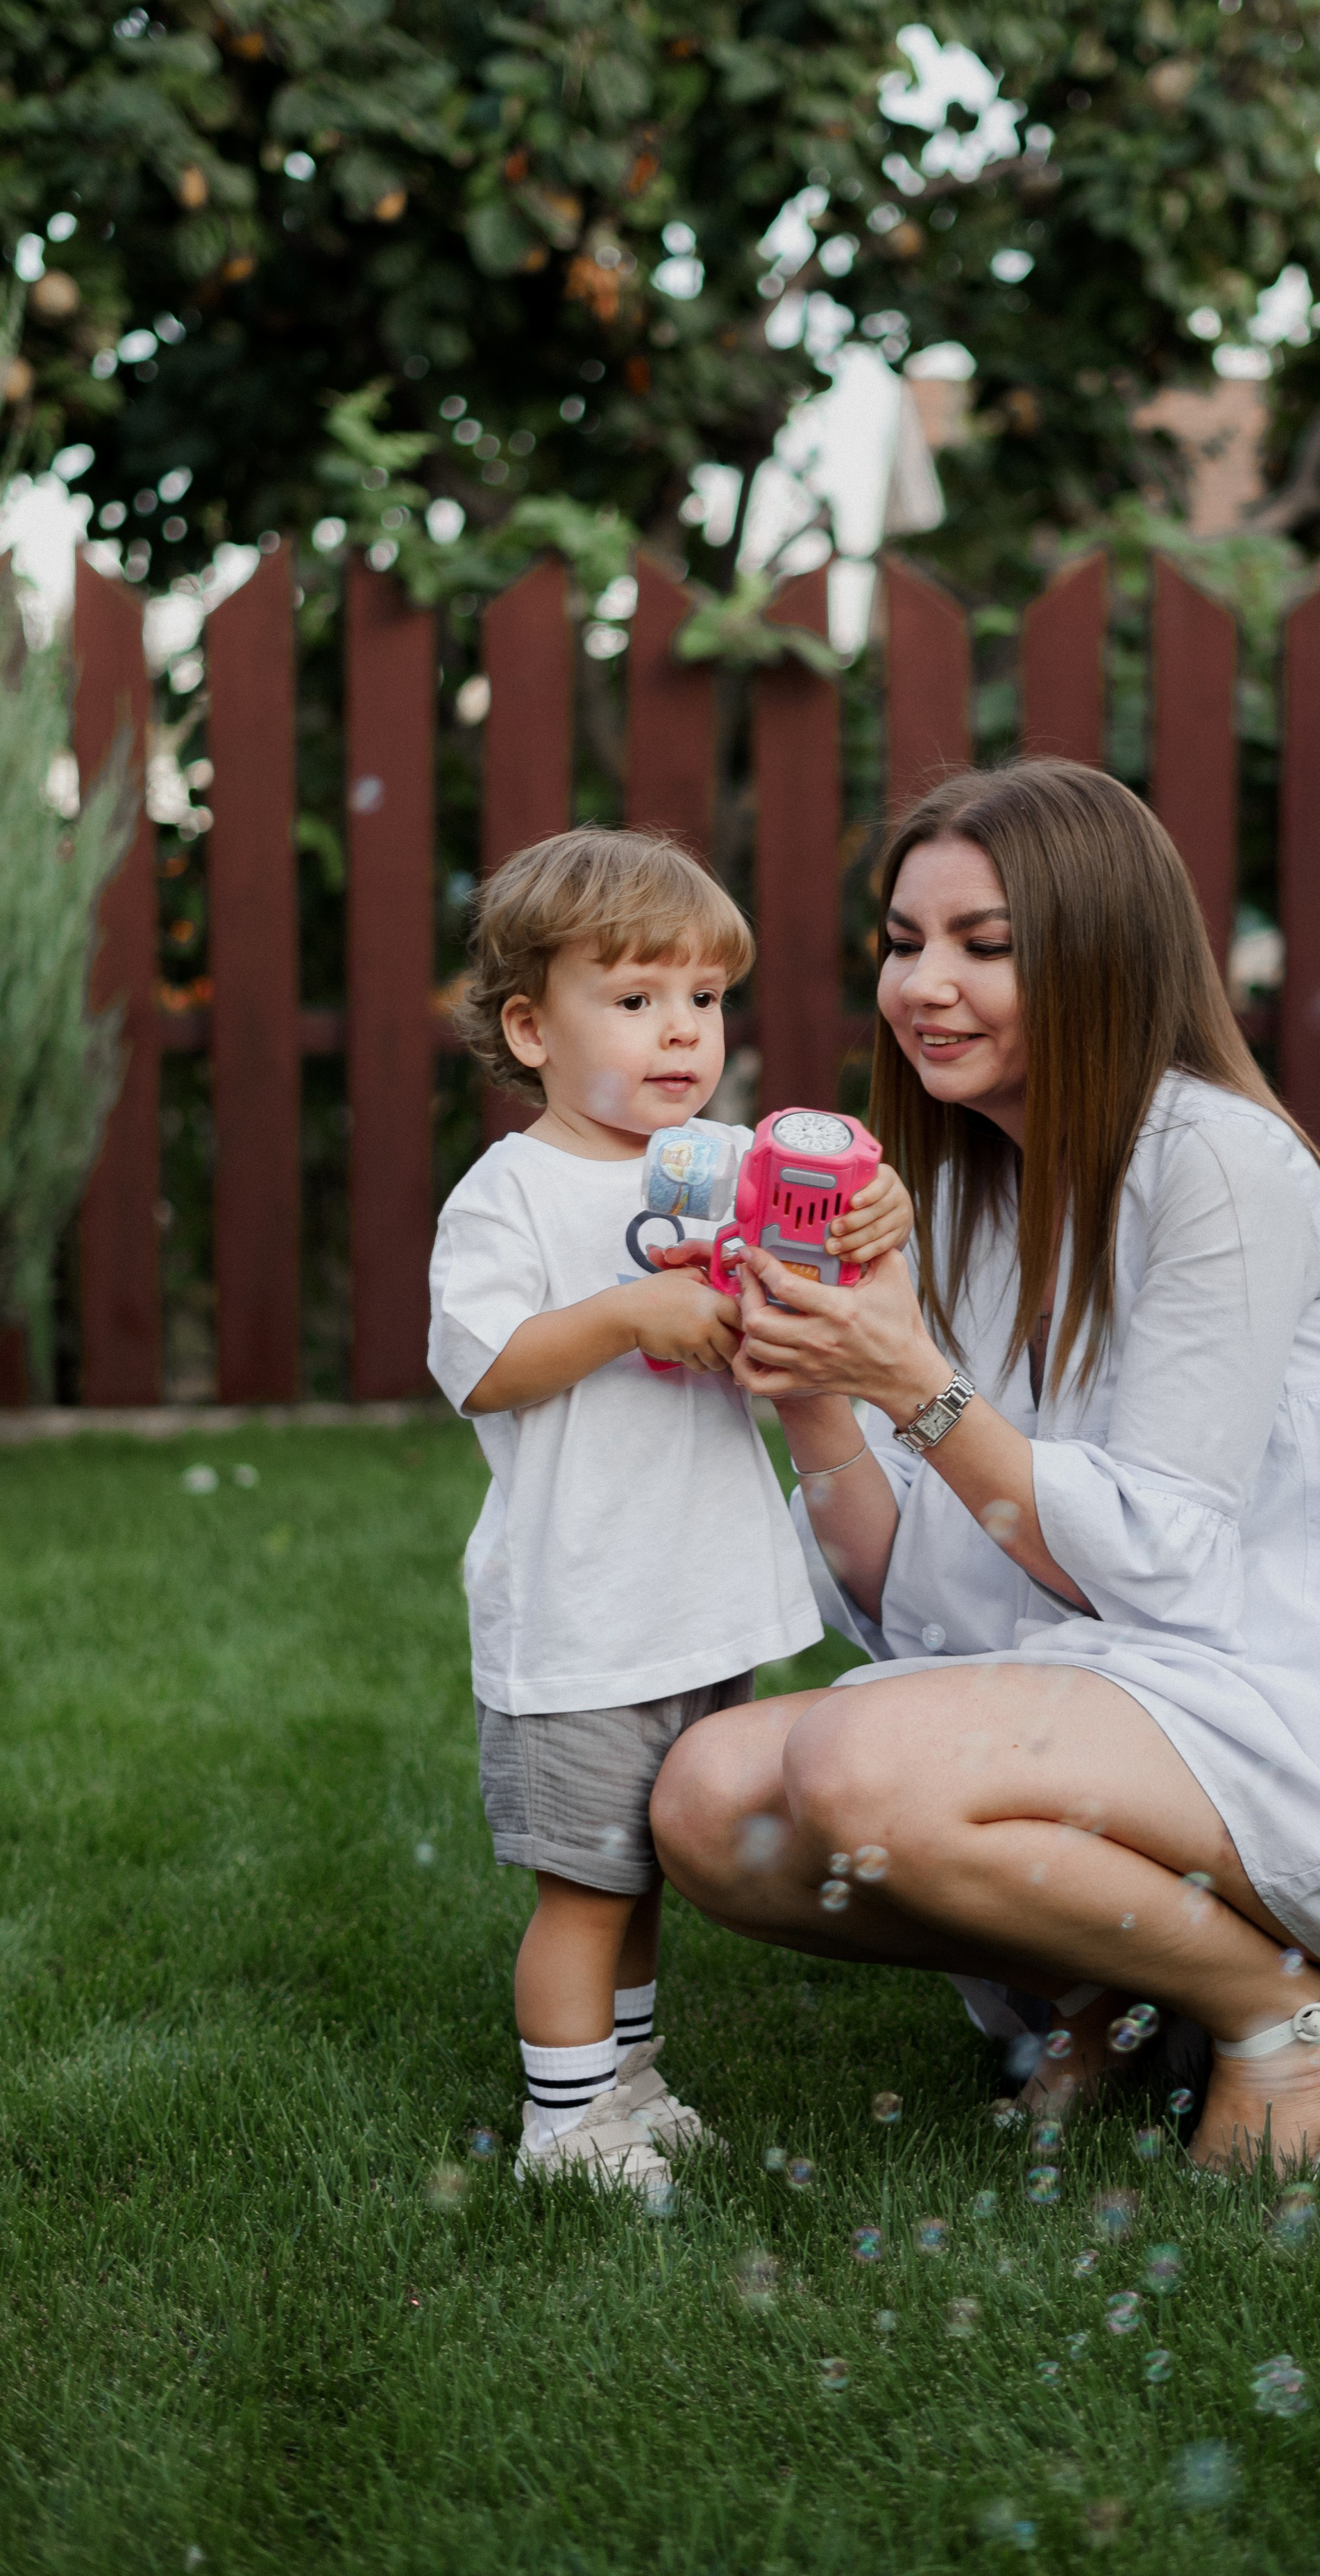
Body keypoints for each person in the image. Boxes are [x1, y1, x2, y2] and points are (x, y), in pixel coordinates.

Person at [652, 763, 1320, 2176]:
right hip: (1125, 1680)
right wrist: (816, 1399)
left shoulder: (1213, 1165)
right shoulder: (973, 1193)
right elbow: (918, 1610)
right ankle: (1102, 1990)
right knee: (707, 1805)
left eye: (985, 947)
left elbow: (1158, 1563)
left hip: (1297, 1686)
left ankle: (1290, 2015)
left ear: (1101, 952)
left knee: (860, 1770)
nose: (925, 985)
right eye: (904, 942)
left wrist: (912, 1385)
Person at [428, 826, 911, 2189]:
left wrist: (870, 1218)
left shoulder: (724, 1167)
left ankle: (624, 2083)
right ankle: (560, 2129)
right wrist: (625, 1311)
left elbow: (842, 1199)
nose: (680, 1033)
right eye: (633, 1000)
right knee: (586, 1888)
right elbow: (481, 1370)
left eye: (702, 999)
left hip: (693, 1599)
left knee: (648, 1872)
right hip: (582, 1613)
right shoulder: (509, 1196)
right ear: (530, 1027)